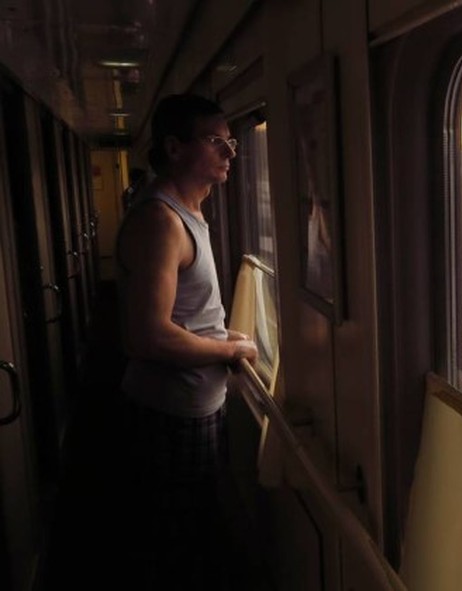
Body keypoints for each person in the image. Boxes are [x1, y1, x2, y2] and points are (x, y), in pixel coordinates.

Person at [114, 93, 257, 589]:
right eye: (216, 141)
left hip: (192, 407)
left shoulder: (189, 213)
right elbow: (148, 336)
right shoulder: (161, 220)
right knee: (178, 543)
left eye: (231, 141)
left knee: (197, 530)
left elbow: (185, 313)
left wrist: (222, 334)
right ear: (175, 148)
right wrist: (231, 351)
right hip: (168, 415)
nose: (230, 153)